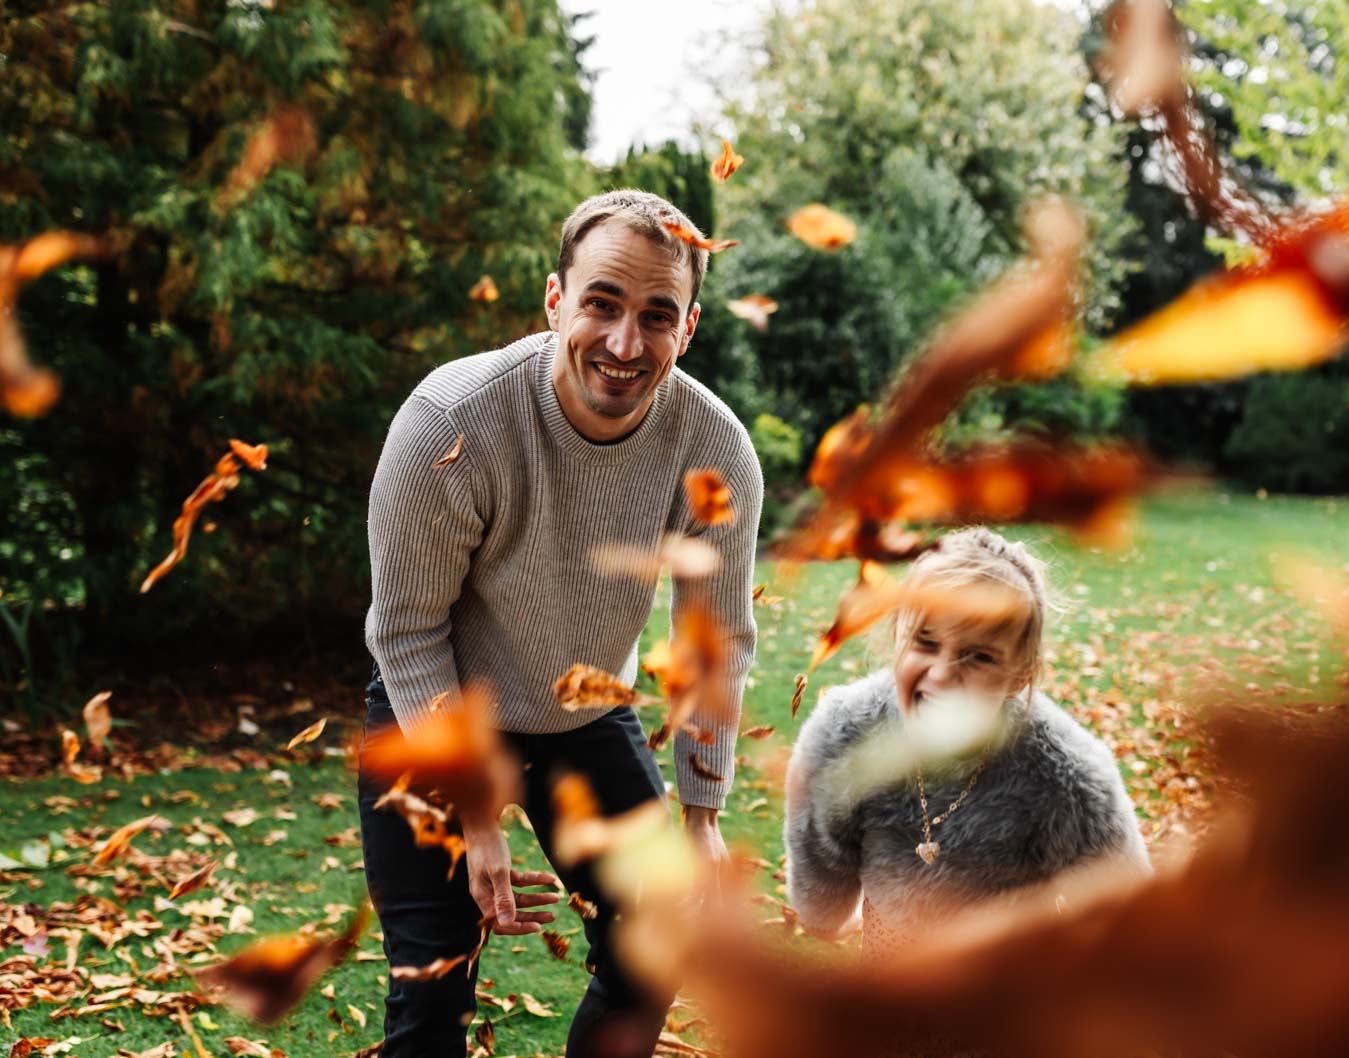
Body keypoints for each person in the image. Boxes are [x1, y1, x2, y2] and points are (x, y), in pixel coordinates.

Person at [357, 190, 762, 1058]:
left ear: (686, 329)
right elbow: (404, 631)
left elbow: (713, 638)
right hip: (436, 700)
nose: (624, 344)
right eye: (602, 304)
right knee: (432, 996)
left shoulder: (715, 450)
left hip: (580, 712)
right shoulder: (450, 421)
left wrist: (700, 815)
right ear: (554, 300)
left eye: (657, 316)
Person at [783, 528, 1149, 968]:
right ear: (899, 635)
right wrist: (833, 912)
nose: (940, 675)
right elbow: (821, 895)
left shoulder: (1067, 776)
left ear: (1021, 675)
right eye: (926, 642)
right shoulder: (845, 735)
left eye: (979, 657)